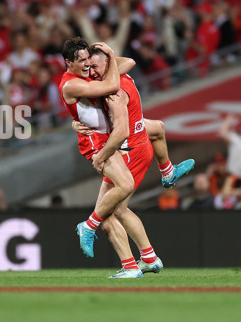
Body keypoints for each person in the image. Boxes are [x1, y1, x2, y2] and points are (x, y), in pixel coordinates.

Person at [68, 42, 195, 277]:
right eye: (89, 67)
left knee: (106, 215)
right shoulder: (120, 75)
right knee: (157, 128)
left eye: (96, 66)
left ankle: (122, 260)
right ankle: (149, 258)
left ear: (108, 64)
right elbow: (129, 64)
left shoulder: (114, 93)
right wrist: (78, 122)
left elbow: (121, 131)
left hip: (129, 152)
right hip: (142, 144)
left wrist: (102, 156)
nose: (92, 72)